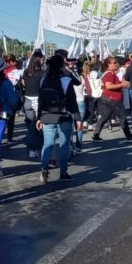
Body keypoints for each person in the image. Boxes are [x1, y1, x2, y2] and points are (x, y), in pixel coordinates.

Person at [36, 54, 79, 184]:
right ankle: (63, 172)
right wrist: (78, 118)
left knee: (48, 144)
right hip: (64, 116)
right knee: (64, 145)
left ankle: (44, 169)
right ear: (61, 65)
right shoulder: (66, 80)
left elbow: (41, 101)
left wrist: (39, 117)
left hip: (47, 116)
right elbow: (72, 101)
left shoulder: (44, 80)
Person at [92, 57, 132, 142]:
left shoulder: (110, 73)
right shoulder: (109, 74)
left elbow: (112, 84)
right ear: (108, 64)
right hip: (113, 99)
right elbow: (109, 86)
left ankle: (96, 135)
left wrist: (122, 83)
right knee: (122, 117)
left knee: (104, 117)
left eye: (117, 62)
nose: (117, 64)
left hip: (108, 98)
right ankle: (128, 136)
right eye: (114, 62)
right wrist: (122, 85)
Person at [20, 52, 46, 160]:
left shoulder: (26, 72)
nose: (43, 61)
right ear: (38, 60)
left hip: (27, 101)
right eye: (42, 59)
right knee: (39, 126)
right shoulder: (42, 73)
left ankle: (31, 150)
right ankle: (41, 148)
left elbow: (23, 84)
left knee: (30, 126)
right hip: (37, 100)